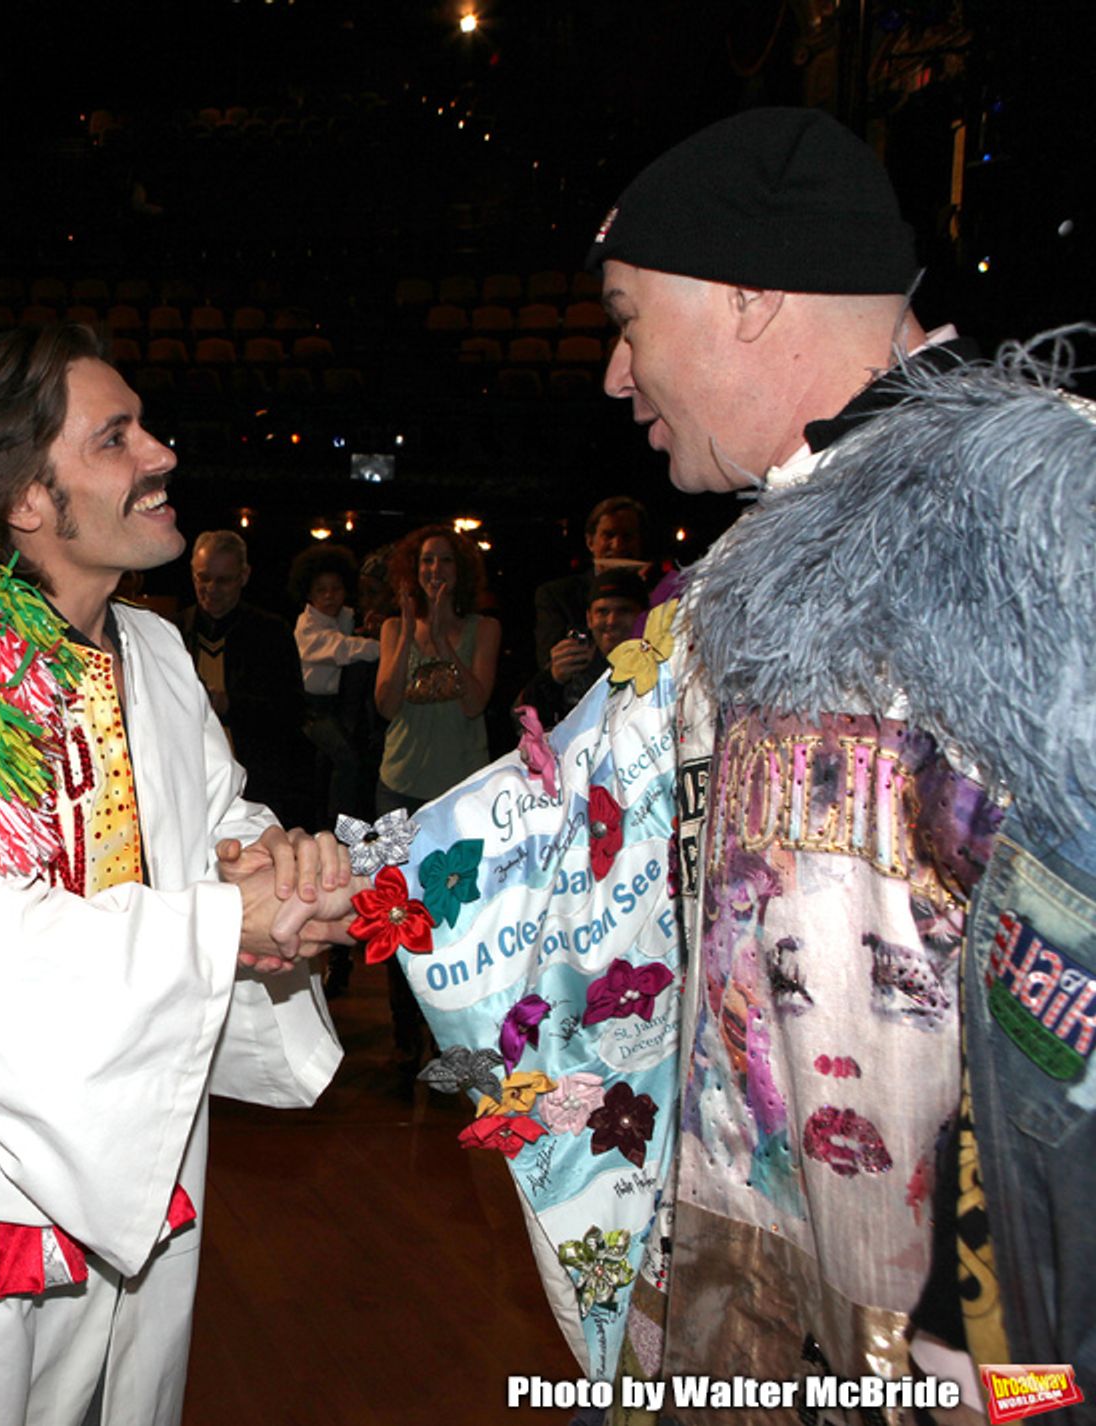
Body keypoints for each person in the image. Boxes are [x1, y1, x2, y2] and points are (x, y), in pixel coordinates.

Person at [336, 108, 1002, 1420]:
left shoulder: (1025, 538)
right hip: (779, 1282)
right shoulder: (770, 569)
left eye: (629, 318)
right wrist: (351, 884)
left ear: (751, 296)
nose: (614, 376)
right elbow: (576, 806)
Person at [0, 323, 355, 1426]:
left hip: (150, 1138)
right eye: (117, 438)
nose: (161, 455)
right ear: (26, 500)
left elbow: (214, 819)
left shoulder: (149, 649)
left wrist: (275, 872)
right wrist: (219, 927)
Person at [373, 524, 500, 1079]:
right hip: (398, 787)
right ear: (412, 571)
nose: (434, 573)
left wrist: (445, 638)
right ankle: (405, 1037)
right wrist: (406, 631)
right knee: (396, 914)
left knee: (458, 921)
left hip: (461, 795)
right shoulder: (392, 629)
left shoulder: (484, 628)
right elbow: (384, 704)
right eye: (426, 562)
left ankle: (455, 1041)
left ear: (460, 572)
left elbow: (476, 702)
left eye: (445, 563)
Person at [178, 529, 310, 827]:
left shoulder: (271, 633)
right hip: (191, 782)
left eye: (223, 580)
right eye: (203, 577)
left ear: (244, 575)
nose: (211, 588)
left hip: (257, 786)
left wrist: (229, 705)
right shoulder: (172, 631)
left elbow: (292, 712)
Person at [291, 542, 380, 826]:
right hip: (311, 710)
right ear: (309, 593)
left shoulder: (343, 616)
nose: (330, 596)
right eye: (321, 590)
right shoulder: (307, 627)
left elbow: (354, 624)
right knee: (346, 759)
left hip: (339, 706)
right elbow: (345, 649)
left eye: (336, 588)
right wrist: (389, 645)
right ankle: (336, 822)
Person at [517, 566, 648, 728]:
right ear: (589, 619)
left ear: (644, 616)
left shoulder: (662, 664)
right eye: (602, 612)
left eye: (624, 611)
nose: (612, 621)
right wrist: (552, 680)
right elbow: (522, 721)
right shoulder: (574, 665)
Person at [533, 495, 649, 668]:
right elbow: (548, 662)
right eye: (608, 535)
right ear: (590, 541)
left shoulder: (656, 592)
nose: (618, 545)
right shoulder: (557, 595)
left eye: (627, 537)